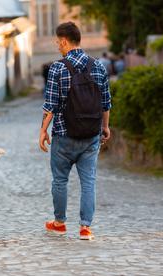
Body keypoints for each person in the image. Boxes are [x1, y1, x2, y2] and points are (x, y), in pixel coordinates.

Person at [39, 22, 112, 240]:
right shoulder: (98, 66)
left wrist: (43, 131)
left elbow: (50, 105)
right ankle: (85, 228)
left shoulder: (58, 68)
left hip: (63, 135)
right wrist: (105, 127)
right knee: (88, 181)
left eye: (57, 42)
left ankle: (60, 223)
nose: (57, 46)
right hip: (91, 135)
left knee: (60, 180)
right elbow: (106, 103)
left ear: (63, 41)